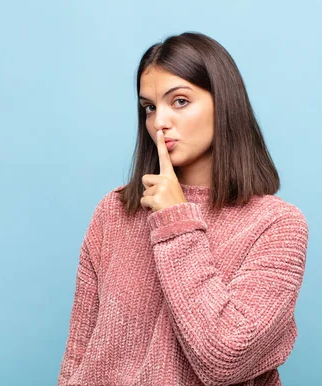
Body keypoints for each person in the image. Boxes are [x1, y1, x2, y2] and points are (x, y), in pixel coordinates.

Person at [57, 31, 309, 386]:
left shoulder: (277, 226)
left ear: (224, 103)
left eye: (179, 101)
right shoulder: (114, 212)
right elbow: (78, 355)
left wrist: (175, 220)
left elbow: (224, 356)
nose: (159, 122)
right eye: (149, 107)